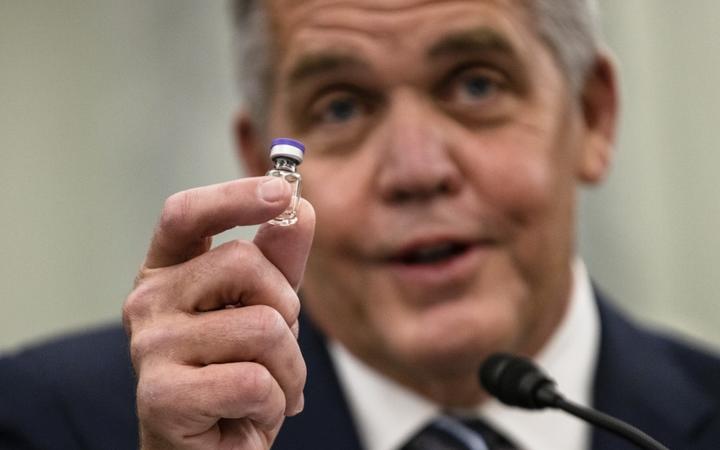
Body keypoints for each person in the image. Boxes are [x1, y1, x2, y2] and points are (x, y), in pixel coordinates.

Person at [2, 0, 720, 449]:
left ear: (592, 117)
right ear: (262, 165)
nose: (414, 169)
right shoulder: (51, 424)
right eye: (341, 107)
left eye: (476, 84)